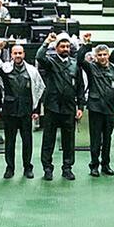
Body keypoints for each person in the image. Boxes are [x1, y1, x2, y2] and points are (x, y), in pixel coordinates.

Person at [0, 40, 42, 179]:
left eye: (20, 53)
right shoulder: (6, 68)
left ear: (24, 54)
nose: (18, 55)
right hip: (9, 111)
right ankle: (10, 168)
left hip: (26, 111)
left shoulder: (32, 70)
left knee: (27, 141)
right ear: (11, 55)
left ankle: (27, 168)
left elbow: (38, 90)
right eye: (15, 53)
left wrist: (36, 110)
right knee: (10, 141)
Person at [36, 33, 83, 181]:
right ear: (56, 48)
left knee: (68, 140)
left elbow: (80, 87)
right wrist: (46, 43)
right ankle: (47, 168)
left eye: (67, 46)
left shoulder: (75, 64)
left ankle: (67, 168)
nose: (65, 48)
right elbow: (39, 57)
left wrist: (80, 106)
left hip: (69, 108)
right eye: (62, 46)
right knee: (48, 139)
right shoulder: (50, 62)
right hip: (52, 107)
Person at [78, 41, 114, 177]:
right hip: (96, 108)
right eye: (100, 55)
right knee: (95, 139)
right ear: (96, 56)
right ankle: (94, 165)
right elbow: (79, 59)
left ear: (108, 55)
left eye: (105, 54)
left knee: (107, 138)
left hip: (110, 108)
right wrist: (85, 45)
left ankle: (106, 164)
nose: (102, 57)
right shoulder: (91, 68)